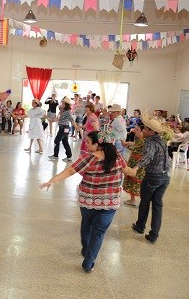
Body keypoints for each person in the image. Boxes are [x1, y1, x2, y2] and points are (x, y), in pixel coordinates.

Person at [40, 130, 135, 272]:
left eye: (89, 142)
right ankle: (88, 263)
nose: (86, 143)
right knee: (98, 233)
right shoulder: (118, 157)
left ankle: (86, 249)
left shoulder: (89, 158)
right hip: (110, 203)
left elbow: (70, 171)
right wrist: (138, 169)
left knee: (86, 225)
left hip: (89, 201)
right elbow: (129, 172)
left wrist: (52, 181)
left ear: (98, 144)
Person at [132, 114, 172, 244]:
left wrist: (136, 167)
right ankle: (154, 235)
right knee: (157, 205)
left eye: (145, 129)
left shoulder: (150, 142)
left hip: (153, 177)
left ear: (151, 131)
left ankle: (140, 226)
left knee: (145, 202)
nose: (143, 130)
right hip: (165, 177)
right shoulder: (162, 141)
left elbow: (147, 157)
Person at [122, 123, 146, 206]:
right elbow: (135, 144)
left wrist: (126, 144)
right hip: (133, 161)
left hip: (139, 164)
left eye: (137, 130)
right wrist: (127, 143)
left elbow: (136, 147)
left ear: (143, 132)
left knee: (138, 182)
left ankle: (143, 201)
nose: (134, 131)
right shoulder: (139, 138)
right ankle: (132, 200)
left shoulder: (145, 141)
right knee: (131, 180)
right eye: (135, 129)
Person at [49, 97, 77, 162]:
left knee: (56, 141)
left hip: (64, 128)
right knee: (65, 142)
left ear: (65, 104)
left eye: (63, 103)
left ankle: (56, 155)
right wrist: (53, 120)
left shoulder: (68, 112)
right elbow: (60, 119)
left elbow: (72, 120)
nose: (61, 104)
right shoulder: (63, 111)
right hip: (64, 127)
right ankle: (69, 156)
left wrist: (76, 127)